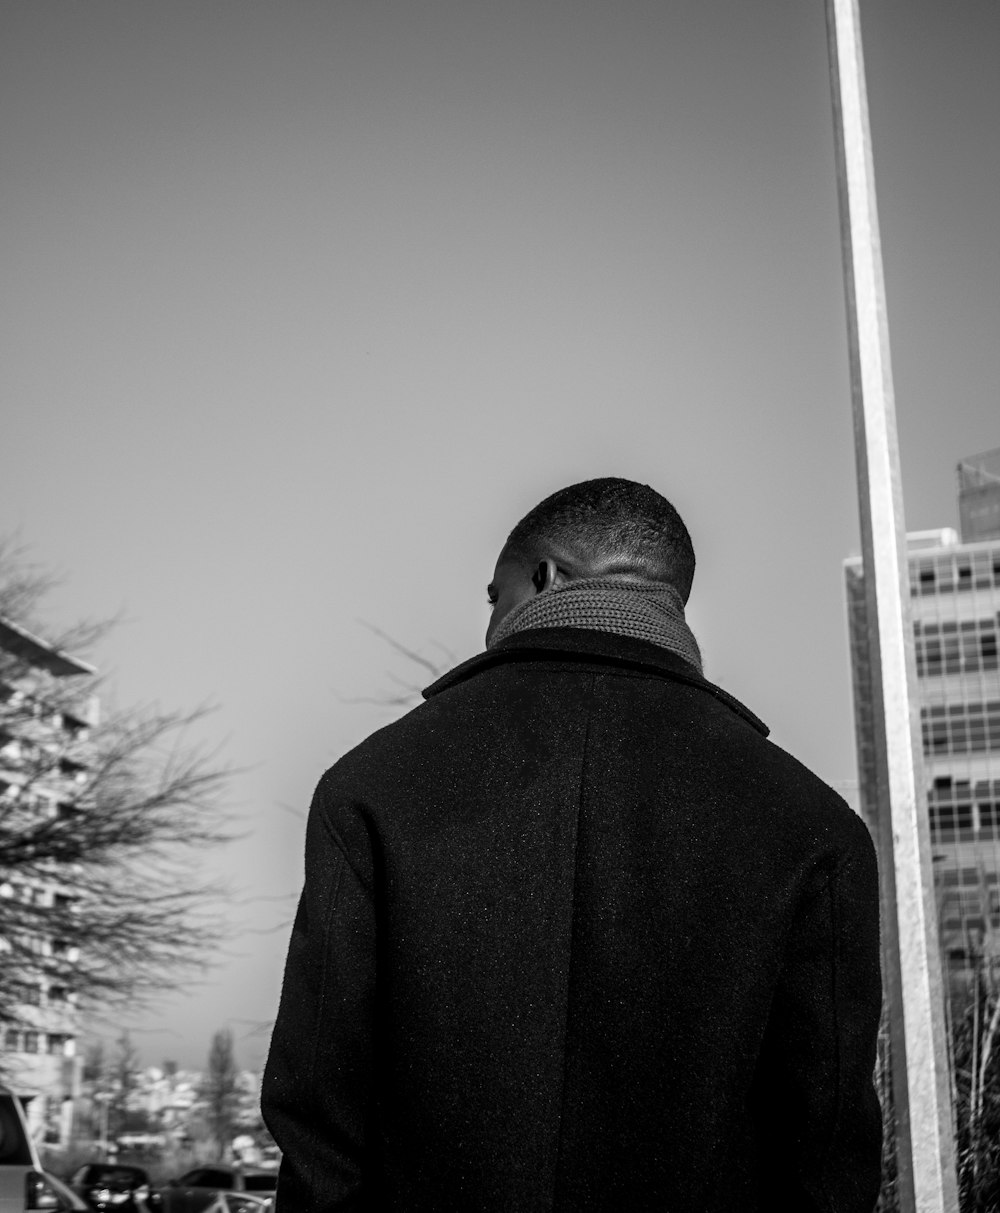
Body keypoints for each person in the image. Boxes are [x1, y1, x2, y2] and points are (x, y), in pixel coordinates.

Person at [261, 477, 883, 1212]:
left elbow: (320, 1119)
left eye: (493, 595)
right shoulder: (812, 827)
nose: (488, 618)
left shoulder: (371, 787)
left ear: (545, 579)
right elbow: (825, 1153)